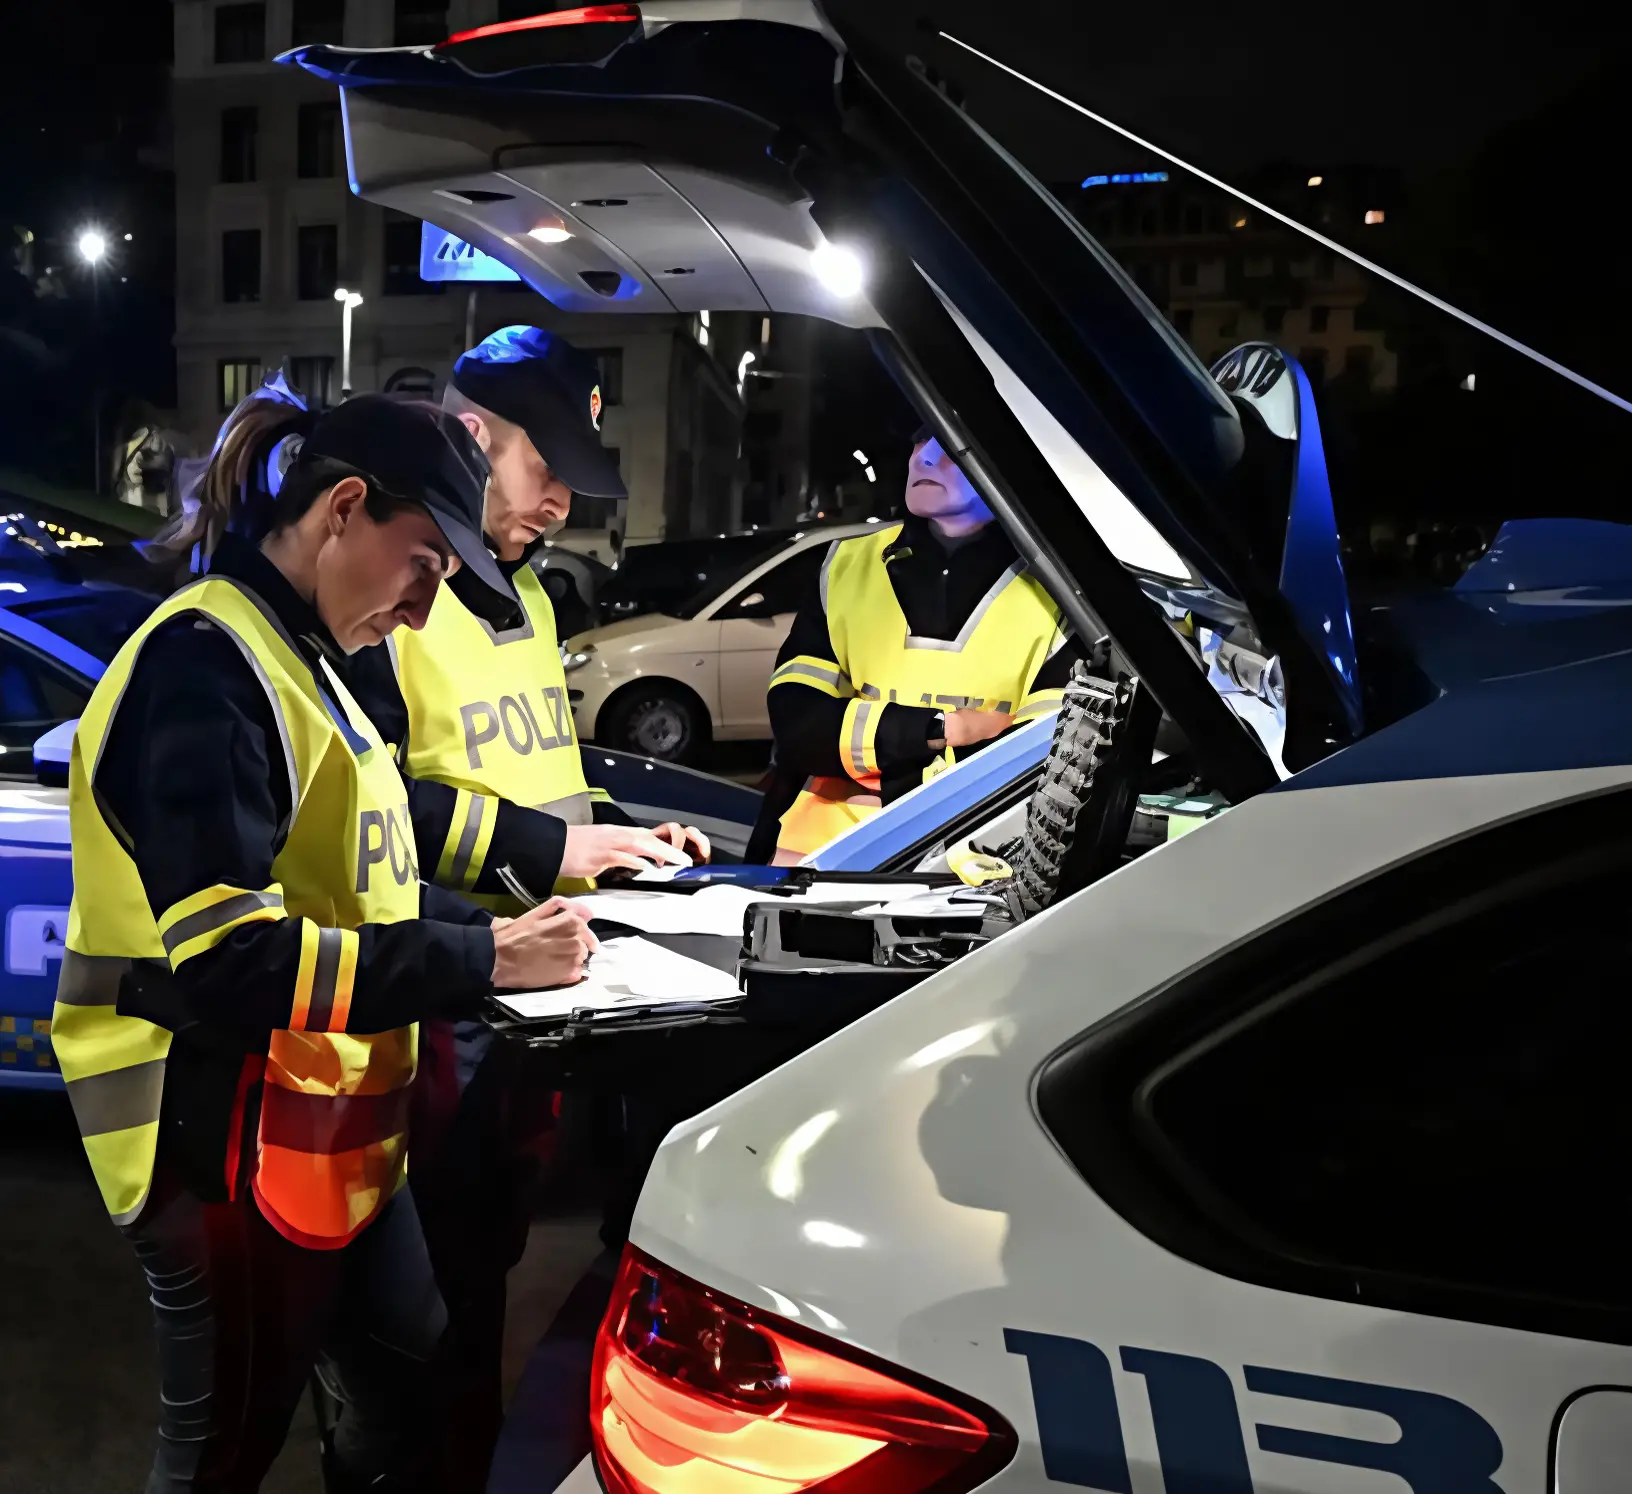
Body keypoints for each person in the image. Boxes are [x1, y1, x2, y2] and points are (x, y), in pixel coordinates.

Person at [50, 394, 598, 1494]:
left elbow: (373, 889)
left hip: (324, 1141)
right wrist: (489, 960)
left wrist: (514, 928)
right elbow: (233, 963)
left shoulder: (307, 659)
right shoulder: (205, 666)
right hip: (212, 1144)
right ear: (344, 508)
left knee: (407, 1403)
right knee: (220, 1456)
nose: (421, 607)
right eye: (424, 566)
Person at [338, 326, 710, 1485]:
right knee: (422, 1303)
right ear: (471, 436)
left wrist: (612, 839)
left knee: (485, 1264)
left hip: (530, 982)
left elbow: (535, 766)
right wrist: (557, 849)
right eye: (544, 472)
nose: (558, 504)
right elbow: (383, 800)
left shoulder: (528, 598)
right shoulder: (398, 593)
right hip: (438, 992)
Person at [754, 428, 1082, 863]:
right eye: (917, 440)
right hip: (821, 867)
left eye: (948, 441)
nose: (923, 459)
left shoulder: (1067, 590)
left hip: (975, 878)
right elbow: (799, 726)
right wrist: (945, 730)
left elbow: (1045, 763)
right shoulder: (845, 565)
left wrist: (878, 750)